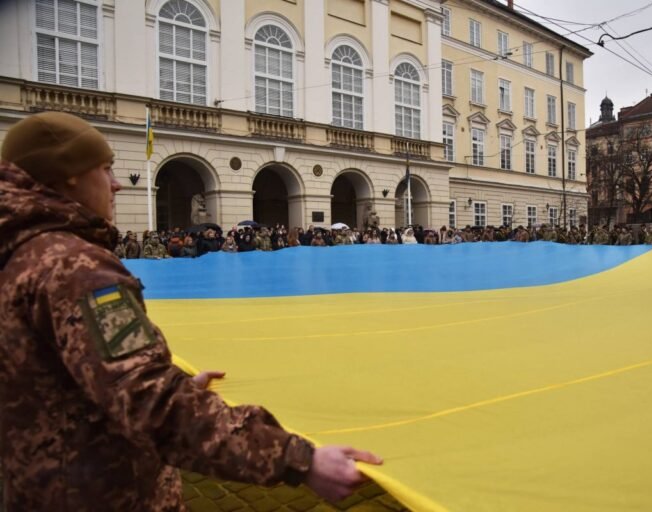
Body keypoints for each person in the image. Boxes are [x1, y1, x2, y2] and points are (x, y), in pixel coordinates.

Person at [0, 112, 381, 510]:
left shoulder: (20, 254)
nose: (116, 184)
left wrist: (163, 381)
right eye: (106, 168)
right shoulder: (74, 268)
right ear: (70, 174)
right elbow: (151, 402)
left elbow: (65, 378)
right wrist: (300, 460)